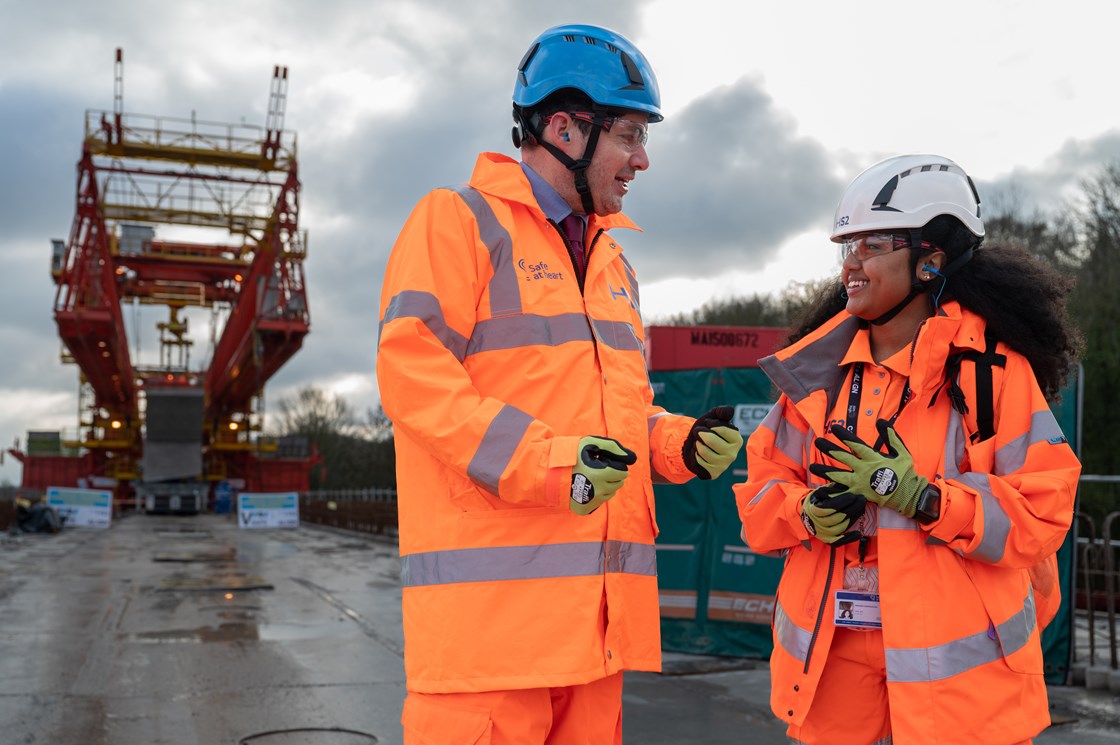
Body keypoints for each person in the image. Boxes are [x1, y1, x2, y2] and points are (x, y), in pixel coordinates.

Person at [376, 24, 743, 745]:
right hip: (490, 648)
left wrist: (677, 443)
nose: (642, 159)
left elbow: (614, 416)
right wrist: (545, 463)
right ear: (566, 129)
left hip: (595, 641)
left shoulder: (615, 267)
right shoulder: (458, 222)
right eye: (630, 135)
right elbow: (412, 377)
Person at [734, 154, 1082, 744]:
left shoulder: (992, 377)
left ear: (931, 259)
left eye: (872, 245)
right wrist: (804, 513)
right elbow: (760, 506)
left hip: (964, 701)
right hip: (833, 682)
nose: (851, 263)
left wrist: (922, 497)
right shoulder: (815, 380)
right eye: (846, 247)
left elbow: (1043, 515)